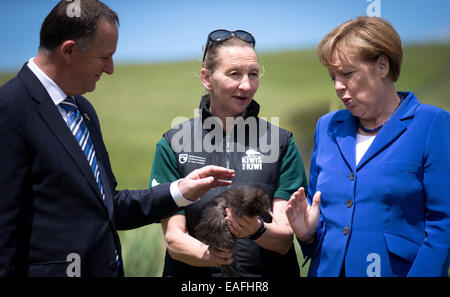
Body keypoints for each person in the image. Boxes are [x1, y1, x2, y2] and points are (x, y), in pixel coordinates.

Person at [0, 0, 235, 277]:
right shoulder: (9, 108)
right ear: (70, 50)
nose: (110, 68)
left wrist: (180, 191)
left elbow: (109, 206)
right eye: (104, 57)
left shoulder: (82, 110)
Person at [286, 16, 450, 277]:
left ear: (382, 66)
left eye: (347, 73)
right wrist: (307, 234)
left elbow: (444, 225)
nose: (338, 86)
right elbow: (323, 217)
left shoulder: (432, 123)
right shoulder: (327, 127)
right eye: (333, 77)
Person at [149, 29, 307, 277]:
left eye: (253, 74)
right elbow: (174, 239)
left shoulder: (281, 143)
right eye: (234, 74)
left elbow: (285, 239)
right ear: (207, 78)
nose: (246, 85)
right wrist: (217, 258)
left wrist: (255, 230)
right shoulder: (173, 144)